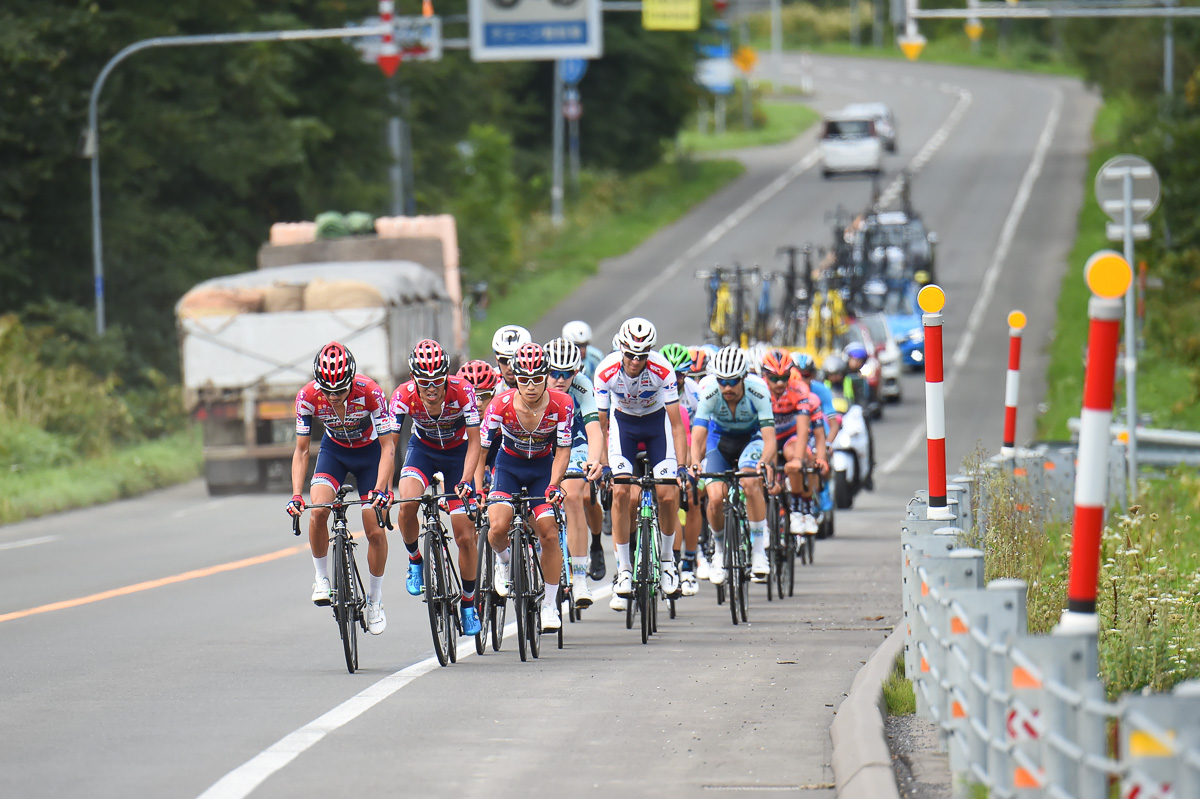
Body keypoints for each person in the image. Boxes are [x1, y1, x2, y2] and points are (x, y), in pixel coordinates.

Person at [286, 341, 395, 635]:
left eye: (340, 391)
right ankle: (321, 578)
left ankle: (375, 599)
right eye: (327, 391)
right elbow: (302, 451)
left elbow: (388, 447)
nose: (333, 397)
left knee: (373, 527)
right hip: (334, 452)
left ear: (351, 380)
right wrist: (297, 495)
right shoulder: (307, 396)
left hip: (369, 454)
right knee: (318, 511)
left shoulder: (370, 392)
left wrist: (382, 489)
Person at [475, 343, 574, 632]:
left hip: (542, 471)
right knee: (497, 528)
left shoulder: (562, 405)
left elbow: (564, 451)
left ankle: (549, 605)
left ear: (546, 375)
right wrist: (478, 486)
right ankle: (505, 562)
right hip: (508, 468)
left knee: (549, 534)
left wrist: (555, 484)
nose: (530, 386)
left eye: (537, 379)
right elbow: (481, 452)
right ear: (514, 377)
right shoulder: (499, 405)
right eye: (523, 379)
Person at [593, 318, 690, 611]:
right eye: (631, 354)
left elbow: (676, 425)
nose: (636, 361)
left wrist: (682, 467)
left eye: (642, 355)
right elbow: (601, 424)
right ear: (621, 348)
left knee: (667, 494)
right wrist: (604, 465)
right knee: (622, 493)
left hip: (656, 426)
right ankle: (623, 570)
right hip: (623, 427)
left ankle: (668, 562)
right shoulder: (605, 371)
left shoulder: (662, 370)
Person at [390, 340, 483, 636]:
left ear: (446, 376)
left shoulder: (463, 391)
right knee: (407, 503)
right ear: (414, 379)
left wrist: (467, 479)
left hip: (459, 454)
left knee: (464, 534)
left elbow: (476, 443)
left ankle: (468, 603)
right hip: (423, 451)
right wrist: (383, 486)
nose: (431, 389)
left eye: (437, 381)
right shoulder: (403, 395)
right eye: (424, 382)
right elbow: (389, 445)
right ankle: (415, 559)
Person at [689, 346, 777, 583]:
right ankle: (719, 552)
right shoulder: (709, 391)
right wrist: (695, 462)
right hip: (720, 441)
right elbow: (698, 434)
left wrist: (763, 463)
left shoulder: (759, 391)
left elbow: (770, 440)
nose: (727, 388)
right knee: (715, 496)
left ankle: (759, 553)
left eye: (732, 382)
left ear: (743, 378)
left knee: (749, 482)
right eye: (722, 382)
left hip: (751, 439)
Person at [545, 337, 607, 607]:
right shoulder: (532, 385)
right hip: (543, 445)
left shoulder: (582, 386)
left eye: (567, 374)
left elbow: (594, 429)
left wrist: (595, 461)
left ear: (577, 372)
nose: (560, 380)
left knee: (572, 496)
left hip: (575, 442)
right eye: (554, 374)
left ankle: (580, 578)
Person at [760, 348, 826, 536]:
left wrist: (799, 458)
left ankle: (801, 508)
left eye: (785, 377)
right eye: (774, 378)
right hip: (767, 437)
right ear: (765, 375)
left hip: (790, 437)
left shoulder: (800, 390)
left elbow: (804, 428)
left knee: (796, 459)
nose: (780, 383)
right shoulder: (758, 390)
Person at [659, 342, 705, 595]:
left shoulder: (694, 392)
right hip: (658, 444)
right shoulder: (656, 386)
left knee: (691, 496)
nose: (675, 379)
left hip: (686, 443)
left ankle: (686, 561)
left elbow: (698, 433)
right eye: (671, 373)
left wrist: (691, 464)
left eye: (680, 375)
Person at [492, 325, 532, 391]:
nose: (510, 367)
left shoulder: (539, 381)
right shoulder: (490, 383)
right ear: (497, 359)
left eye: (516, 360)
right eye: (504, 360)